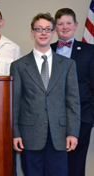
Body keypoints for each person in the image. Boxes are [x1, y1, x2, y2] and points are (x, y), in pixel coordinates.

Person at [11, 13, 80, 176]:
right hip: (29, 136)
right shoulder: (19, 66)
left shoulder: (68, 65)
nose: (43, 33)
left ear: (53, 32)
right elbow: (15, 103)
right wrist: (15, 134)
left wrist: (72, 132)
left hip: (59, 136)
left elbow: (73, 102)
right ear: (32, 32)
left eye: (47, 29)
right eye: (39, 29)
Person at [51, 8, 94, 176]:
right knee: (54, 164)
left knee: (76, 166)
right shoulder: (47, 50)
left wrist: (91, 115)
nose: (64, 27)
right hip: (53, 119)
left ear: (75, 25)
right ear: (55, 27)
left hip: (82, 117)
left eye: (68, 23)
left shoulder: (90, 51)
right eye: (60, 24)